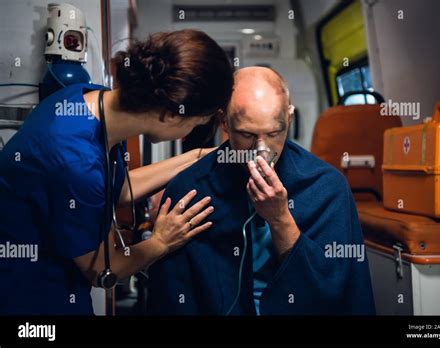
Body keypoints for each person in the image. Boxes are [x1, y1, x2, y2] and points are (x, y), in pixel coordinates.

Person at [0, 30, 234, 315]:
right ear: (172, 114)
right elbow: (102, 270)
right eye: (196, 123)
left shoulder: (89, 100)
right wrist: (161, 241)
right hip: (31, 300)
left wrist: (197, 157)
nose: (190, 133)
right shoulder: (75, 162)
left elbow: (117, 189)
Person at [147, 67, 375, 315]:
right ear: (224, 121)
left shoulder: (327, 187)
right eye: (247, 135)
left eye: (274, 133)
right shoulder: (190, 188)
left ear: (289, 118)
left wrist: (280, 219)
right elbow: (172, 294)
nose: (261, 150)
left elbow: (337, 290)